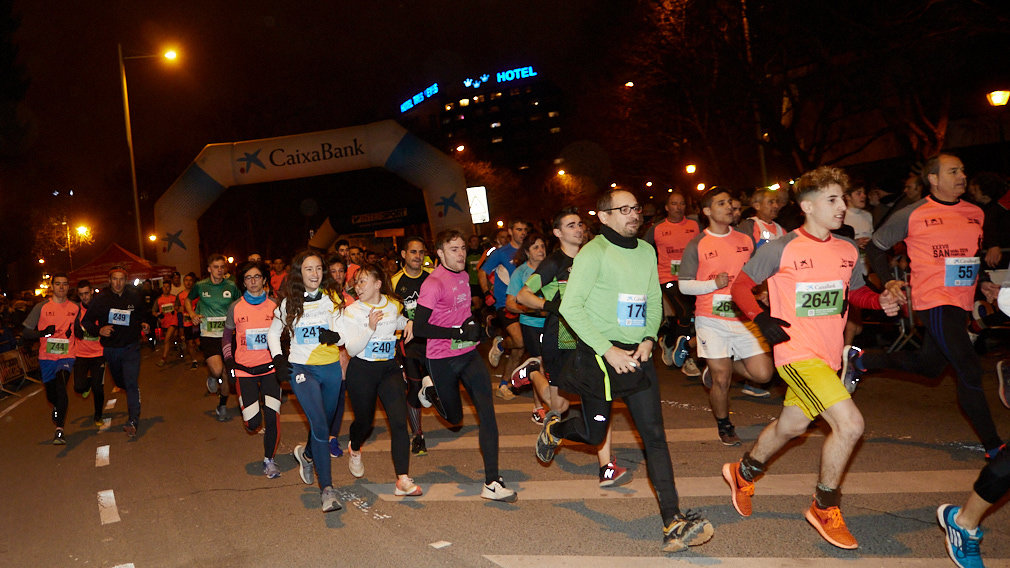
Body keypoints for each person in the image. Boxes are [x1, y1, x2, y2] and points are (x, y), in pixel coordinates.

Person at [722, 166, 899, 549]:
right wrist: (760, 318)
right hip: (797, 354)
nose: (842, 206)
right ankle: (824, 506)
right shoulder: (780, 248)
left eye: (842, 198)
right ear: (807, 206)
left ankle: (743, 472)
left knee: (790, 428)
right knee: (850, 425)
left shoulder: (848, 249)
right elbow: (740, 286)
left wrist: (879, 300)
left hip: (829, 356)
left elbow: (853, 295)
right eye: (832, 200)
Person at [536, 189, 713, 552]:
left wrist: (649, 338)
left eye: (636, 208)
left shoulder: (647, 251)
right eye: (624, 209)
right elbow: (571, 307)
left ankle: (673, 521)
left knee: (655, 437)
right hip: (600, 357)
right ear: (603, 217)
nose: (634, 215)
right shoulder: (593, 253)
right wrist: (608, 349)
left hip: (638, 355)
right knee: (593, 434)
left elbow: (651, 299)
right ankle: (557, 429)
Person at [852, 154, 1005, 462]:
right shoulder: (912, 213)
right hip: (933, 300)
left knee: (930, 365)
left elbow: (968, 256)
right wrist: (888, 284)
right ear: (933, 179)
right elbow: (878, 249)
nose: (962, 175)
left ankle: (863, 361)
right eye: (953, 171)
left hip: (960, 302)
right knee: (969, 367)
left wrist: (982, 283)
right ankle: (994, 447)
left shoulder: (975, 212)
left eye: (962, 169)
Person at [517, 207, 630, 488]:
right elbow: (523, 294)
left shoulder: (594, 256)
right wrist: (552, 305)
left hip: (592, 339)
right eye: (570, 225)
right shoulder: (553, 263)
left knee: (603, 397)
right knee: (560, 405)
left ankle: (606, 467)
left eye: (580, 224)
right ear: (557, 233)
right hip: (561, 339)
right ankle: (533, 372)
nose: (578, 229)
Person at [413, 230, 517, 503]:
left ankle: (492, 481)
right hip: (441, 358)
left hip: (469, 355)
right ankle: (430, 391)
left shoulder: (463, 275)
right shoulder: (433, 283)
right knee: (455, 420)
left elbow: (459, 313)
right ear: (440, 254)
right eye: (454, 250)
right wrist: (459, 332)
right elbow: (422, 327)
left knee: (488, 414)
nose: (460, 254)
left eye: (462, 248)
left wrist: (474, 325)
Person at [678, 188, 773, 446]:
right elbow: (684, 286)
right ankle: (724, 423)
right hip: (711, 318)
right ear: (707, 211)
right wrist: (712, 285)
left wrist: (761, 291)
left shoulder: (745, 239)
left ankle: (718, 363)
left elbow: (755, 275)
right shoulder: (698, 243)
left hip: (742, 317)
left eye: (730, 202)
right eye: (721, 203)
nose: (729, 207)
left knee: (764, 374)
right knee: (722, 378)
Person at [268, 250, 345, 512]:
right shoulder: (289, 302)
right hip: (303, 369)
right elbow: (273, 333)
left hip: (331, 368)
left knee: (325, 420)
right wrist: (279, 359)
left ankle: (308, 454)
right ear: (300, 273)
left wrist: (335, 337)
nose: (315, 273)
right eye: (309, 269)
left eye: (319, 268)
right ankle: (328, 490)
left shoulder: (332, 299)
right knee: (321, 426)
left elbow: (344, 334)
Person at [341, 263, 422, 497]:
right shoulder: (352, 311)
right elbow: (353, 350)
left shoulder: (391, 303)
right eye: (356, 282)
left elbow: (396, 321)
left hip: (388, 369)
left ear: (377, 284)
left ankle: (403, 479)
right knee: (365, 423)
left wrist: (407, 323)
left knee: (399, 421)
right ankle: (355, 448)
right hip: (362, 370)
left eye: (363, 281)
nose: (358, 286)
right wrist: (369, 327)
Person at [223, 261, 282, 479]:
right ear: (243, 282)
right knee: (253, 424)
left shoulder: (275, 306)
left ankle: (270, 460)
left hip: (270, 370)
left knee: (272, 416)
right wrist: (229, 360)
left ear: (264, 279)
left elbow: (285, 334)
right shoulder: (235, 307)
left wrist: (283, 360)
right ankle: (248, 409)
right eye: (248, 278)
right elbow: (227, 335)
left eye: (257, 277)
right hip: (244, 370)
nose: (253, 281)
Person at [81, 266, 150, 439]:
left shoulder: (134, 296)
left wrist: (145, 324)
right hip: (111, 349)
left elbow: (143, 314)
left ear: (125, 280)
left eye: (121, 279)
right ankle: (131, 392)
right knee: (121, 382)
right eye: (114, 279)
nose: (118, 283)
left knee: (131, 382)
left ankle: (133, 420)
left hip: (131, 346)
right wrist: (99, 330)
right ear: (109, 280)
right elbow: (87, 321)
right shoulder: (101, 299)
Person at [642, 191, 702, 376]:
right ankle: (685, 355)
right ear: (667, 207)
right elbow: (643, 250)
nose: (679, 207)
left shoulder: (694, 225)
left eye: (682, 203)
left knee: (692, 316)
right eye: (674, 204)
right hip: (667, 277)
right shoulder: (657, 228)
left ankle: (668, 339)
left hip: (691, 277)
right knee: (684, 313)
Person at [21, 273, 79, 444]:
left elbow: (87, 325)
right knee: (52, 395)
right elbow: (25, 331)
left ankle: (59, 430)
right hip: (46, 357)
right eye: (58, 284)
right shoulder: (41, 307)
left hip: (67, 356)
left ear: (69, 287)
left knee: (62, 388)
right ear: (52, 286)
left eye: (65, 284)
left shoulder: (75, 308)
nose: (61, 287)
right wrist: (43, 333)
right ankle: (56, 406)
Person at [390, 237, 433, 455]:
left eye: (421, 252)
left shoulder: (433, 277)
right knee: (415, 388)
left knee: (439, 385)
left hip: (435, 340)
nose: (418, 256)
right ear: (404, 255)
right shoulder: (395, 281)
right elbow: (390, 314)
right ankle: (418, 435)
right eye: (413, 252)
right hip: (410, 344)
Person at [480, 219, 531, 399]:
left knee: (519, 348)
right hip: (504, 303)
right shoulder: (501, 252)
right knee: (519, 340)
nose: (522, 232)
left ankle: (504, 384)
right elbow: (482, 271)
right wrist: (487, 292)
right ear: (511, 231)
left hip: (526, 304)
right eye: (518, 229)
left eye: (525, 229)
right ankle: (501, 344)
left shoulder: (529, 251)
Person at [186, 254, 240, 422]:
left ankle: (222, 406)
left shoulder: (231, 286)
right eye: (216, 267)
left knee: (226, 373)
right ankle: (211, 374)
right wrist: (192, 313)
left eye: (222, 267)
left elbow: (240, 304)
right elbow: (188, 300)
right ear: (209, 269)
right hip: (208, 334)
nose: (219, 270)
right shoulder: (201, 286)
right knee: (217, 370)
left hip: (227, 335)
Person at [505, 231, 550, 422]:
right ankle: (538, 408)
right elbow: (510, 303)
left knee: (552, 364)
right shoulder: (520, 272)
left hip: (553, 323)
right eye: (535, 247)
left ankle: (553, 402)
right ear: (527, 252)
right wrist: (531, 310)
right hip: (531, 324)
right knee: (538, 364)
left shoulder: (553, 268)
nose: (541, 250)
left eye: (542, 246)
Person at [325, 255, 354, 458]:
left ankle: (332, 438)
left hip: (343, 357)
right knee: (324, 400)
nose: (337, 275)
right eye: (333, 271)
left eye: (341, 271)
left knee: (339, 399)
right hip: (323, 356)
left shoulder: (350, 300)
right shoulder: (320, 298)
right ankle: (320, 436)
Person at [73, 280, 107, 427]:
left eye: (86, 293)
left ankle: (98, 415)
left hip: (99, 353)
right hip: (81, 354)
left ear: (92, 291)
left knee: (98, 387)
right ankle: (86, 386)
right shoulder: (76, 311)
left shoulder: (101, 308)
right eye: (81, 295)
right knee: (78, 387)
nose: (84, 297)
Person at [177, 272, 200, 369]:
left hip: (198, 322)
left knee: (199, 342)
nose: (188, 282)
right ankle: (194, 360)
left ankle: (208, 358)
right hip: (187, 323)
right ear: (183, 282)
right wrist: (181, 308)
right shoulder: (180, 295)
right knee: (190, 343)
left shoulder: (197, 293)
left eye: (190, 280)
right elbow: (176, 308)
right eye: (186, 280)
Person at [154, 280, 179, 367]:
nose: (166, 289)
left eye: (168, 287)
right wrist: (157, 315)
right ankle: (178, 344)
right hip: (164, 322)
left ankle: (163, 359)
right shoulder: (159, 299)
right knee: (170, 339)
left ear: (170, 288)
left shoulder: (174, 297)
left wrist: (175, 308)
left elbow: (178, 307)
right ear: (162, 288)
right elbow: (154, 311)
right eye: (164, 287)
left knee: (166, 339)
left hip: (173, 321)